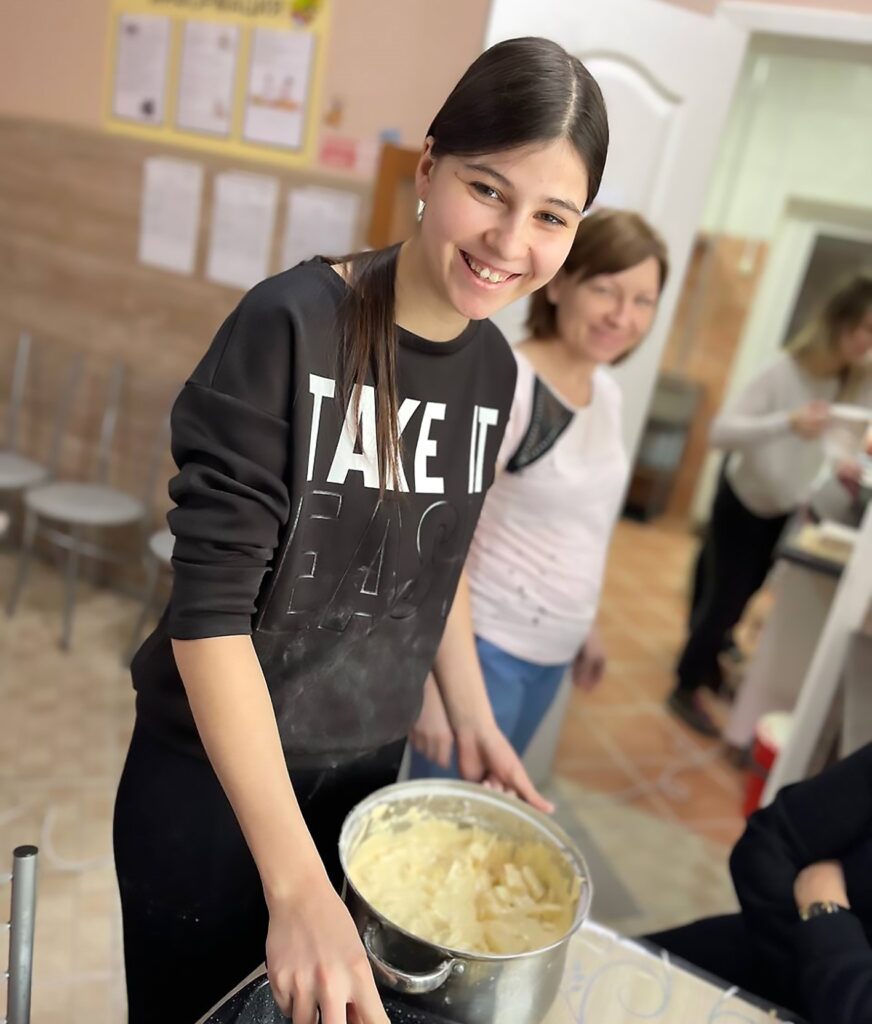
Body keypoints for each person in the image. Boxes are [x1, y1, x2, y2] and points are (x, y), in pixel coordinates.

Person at [113, 36, 609, 1024]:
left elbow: (441, 559)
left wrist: (470, 715)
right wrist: (294, 888)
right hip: (215, 792)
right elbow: (206, 619)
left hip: (362, 792)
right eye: (487, 190)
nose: (510, 241)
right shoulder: (292, 326)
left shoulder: (493, 374)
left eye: (550, 216)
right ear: (428, 168)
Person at [409, 209, 668, 775]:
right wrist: (431, 685)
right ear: (562, 283)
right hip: (483, 651)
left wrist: (586, 623)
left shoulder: (607, 393)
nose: (623, 316)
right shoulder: (512, 383)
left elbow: (585, 525)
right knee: (445, 838)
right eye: (606, 289)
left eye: (643, 301)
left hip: (551, 653)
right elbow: (432, 534)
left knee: (486, 822)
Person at [668, 273, 872, 737]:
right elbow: (722, 432)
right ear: (840, 324)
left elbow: (836, 439)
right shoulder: (784, 371)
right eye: (867, 328)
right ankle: (685, 684)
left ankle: (705, 658)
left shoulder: (855, 380)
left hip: (784, 505)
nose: (871, 342)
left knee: (738, 598)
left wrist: (844, 462)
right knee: (725, 597)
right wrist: (787, 423)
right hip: (744, 498)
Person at [645, 741, 872, 1024]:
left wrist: (823, 911)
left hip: (799, 951)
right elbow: (770, 843)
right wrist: (824, 978)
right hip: (759, 956)